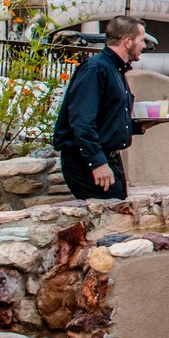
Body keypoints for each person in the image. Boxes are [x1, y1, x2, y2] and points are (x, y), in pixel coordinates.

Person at [52, 14, 145, 201]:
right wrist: (97, 162)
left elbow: (107, 117)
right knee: (111, 221)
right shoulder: (96, 69)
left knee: (120, 216)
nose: (144, 45)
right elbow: (82, 121)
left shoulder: (116, 70)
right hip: (87, 161)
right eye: (141, 40)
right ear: (128, 42)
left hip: (110, 157)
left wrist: (139, 126)